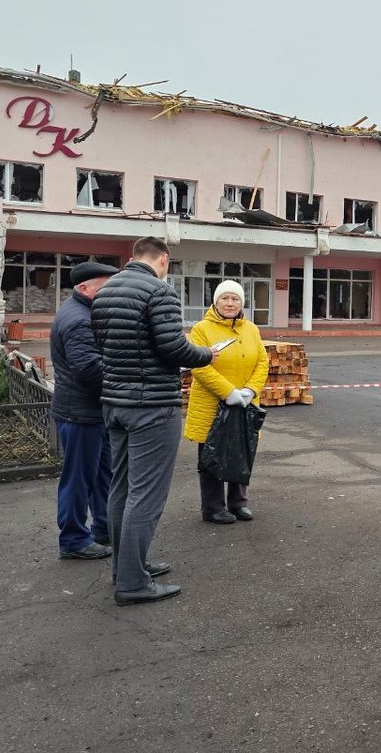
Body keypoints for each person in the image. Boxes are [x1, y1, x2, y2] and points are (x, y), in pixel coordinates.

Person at [91, 237, 223, 606]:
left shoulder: (106, 291)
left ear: (133, 257)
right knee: (146, 494)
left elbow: (104, 346)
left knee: (121, 488)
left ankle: (127, 567)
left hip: (115, 402)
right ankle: (132, 582)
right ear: (163, 259)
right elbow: (172, 347)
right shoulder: (158, 291)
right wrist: (205, 354)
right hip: (151, 405)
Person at [184, 280, 269, 525]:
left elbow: (262, 362)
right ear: (216, 301)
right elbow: (198, 365)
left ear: (242, 303)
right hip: (213, 404)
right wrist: (229, 391)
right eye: (225, 298)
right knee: (212, 455)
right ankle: (212, 508)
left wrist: (250, 390)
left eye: (235, 299)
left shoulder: (251, 329)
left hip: (245, 403)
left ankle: (238, 503)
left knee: (242, 452)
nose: (230, 303)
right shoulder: (201, 329)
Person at [50, 261, 119, 561]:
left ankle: (103, 527)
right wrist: (125, 380)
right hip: (79, 414)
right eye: (105, 288)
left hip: (91, 411)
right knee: (78, 478)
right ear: (84, 288)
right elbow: (89, 369)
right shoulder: (79, 320)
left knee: (103, 473)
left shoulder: (84, 311)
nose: (111, 294)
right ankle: (74, 539)